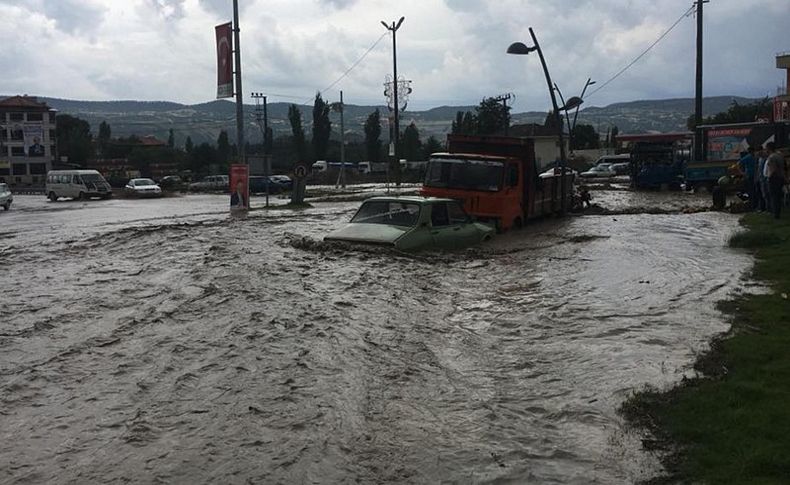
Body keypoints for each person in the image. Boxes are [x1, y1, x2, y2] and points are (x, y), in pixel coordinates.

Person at [765, 142, 786, 219]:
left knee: (773, 197)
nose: (765, 150)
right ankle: (778, 211)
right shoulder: (780, 156)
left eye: (766, 148)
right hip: (780, 177)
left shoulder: (771, 157)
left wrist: (769, 177)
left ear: (769, 148)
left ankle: (776, 214)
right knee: (778, 196)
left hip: (774, 178)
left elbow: (772, 169)